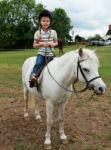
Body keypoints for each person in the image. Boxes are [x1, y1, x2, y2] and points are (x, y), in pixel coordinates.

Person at [29, 9, 58, 88]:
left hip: (51, 54)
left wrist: (53, 44)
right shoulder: (38, 33)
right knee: (38, 63)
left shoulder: (53, 32)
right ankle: (33, 77)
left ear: (50, 22)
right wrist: (42, 44)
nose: (45, 22)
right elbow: (34, 45)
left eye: (47, 21)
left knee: (57, 66)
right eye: (43, 21)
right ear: (40, 22)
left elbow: (56, 42)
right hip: (41, 54)